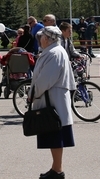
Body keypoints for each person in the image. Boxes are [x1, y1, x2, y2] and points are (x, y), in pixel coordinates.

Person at [27, 25, 75, 179]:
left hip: (52, 100)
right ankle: (56, 168)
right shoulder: (53, 51)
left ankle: (58, 170)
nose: (39, 39)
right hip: (53, 98)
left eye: (41, 37)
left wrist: (33, 94)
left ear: (47, 38)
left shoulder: (54, 53)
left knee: (55, 134)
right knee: (54, 135)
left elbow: (45, 79)